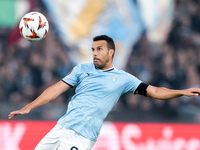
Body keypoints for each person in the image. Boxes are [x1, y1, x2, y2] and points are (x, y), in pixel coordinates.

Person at [9, 35, 200, 150]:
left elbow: (155, 91)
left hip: (81, 137)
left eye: (99, 49)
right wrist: (29, 106)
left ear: (111, 53)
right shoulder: (81, 69)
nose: (94, 53)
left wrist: (181, 92)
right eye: (92, 49)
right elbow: (56, 89)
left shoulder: (124, 78)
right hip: (61, 128)